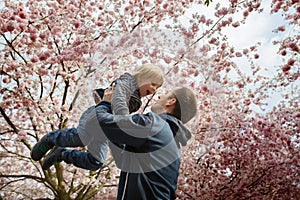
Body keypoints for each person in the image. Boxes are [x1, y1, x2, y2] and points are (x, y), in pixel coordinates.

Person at [30, 63, 164, 171]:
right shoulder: (127, 81)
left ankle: (62, 154)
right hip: (96, 116)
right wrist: (123, 120)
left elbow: (123, 120)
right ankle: (50, 139)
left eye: (157, 88)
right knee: (81, 138)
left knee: (96, 162)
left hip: (107, 128)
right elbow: (118, 100)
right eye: (153, 84)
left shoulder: (137, 100)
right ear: (142, 76)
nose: (154, 90)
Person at [93, 86, 197, 199]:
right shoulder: (173, 144)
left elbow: (102, 122)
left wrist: (105, 103)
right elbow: (124, 160)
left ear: (171, 101)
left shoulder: (154, 124)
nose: (159, 96)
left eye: (166, 94)